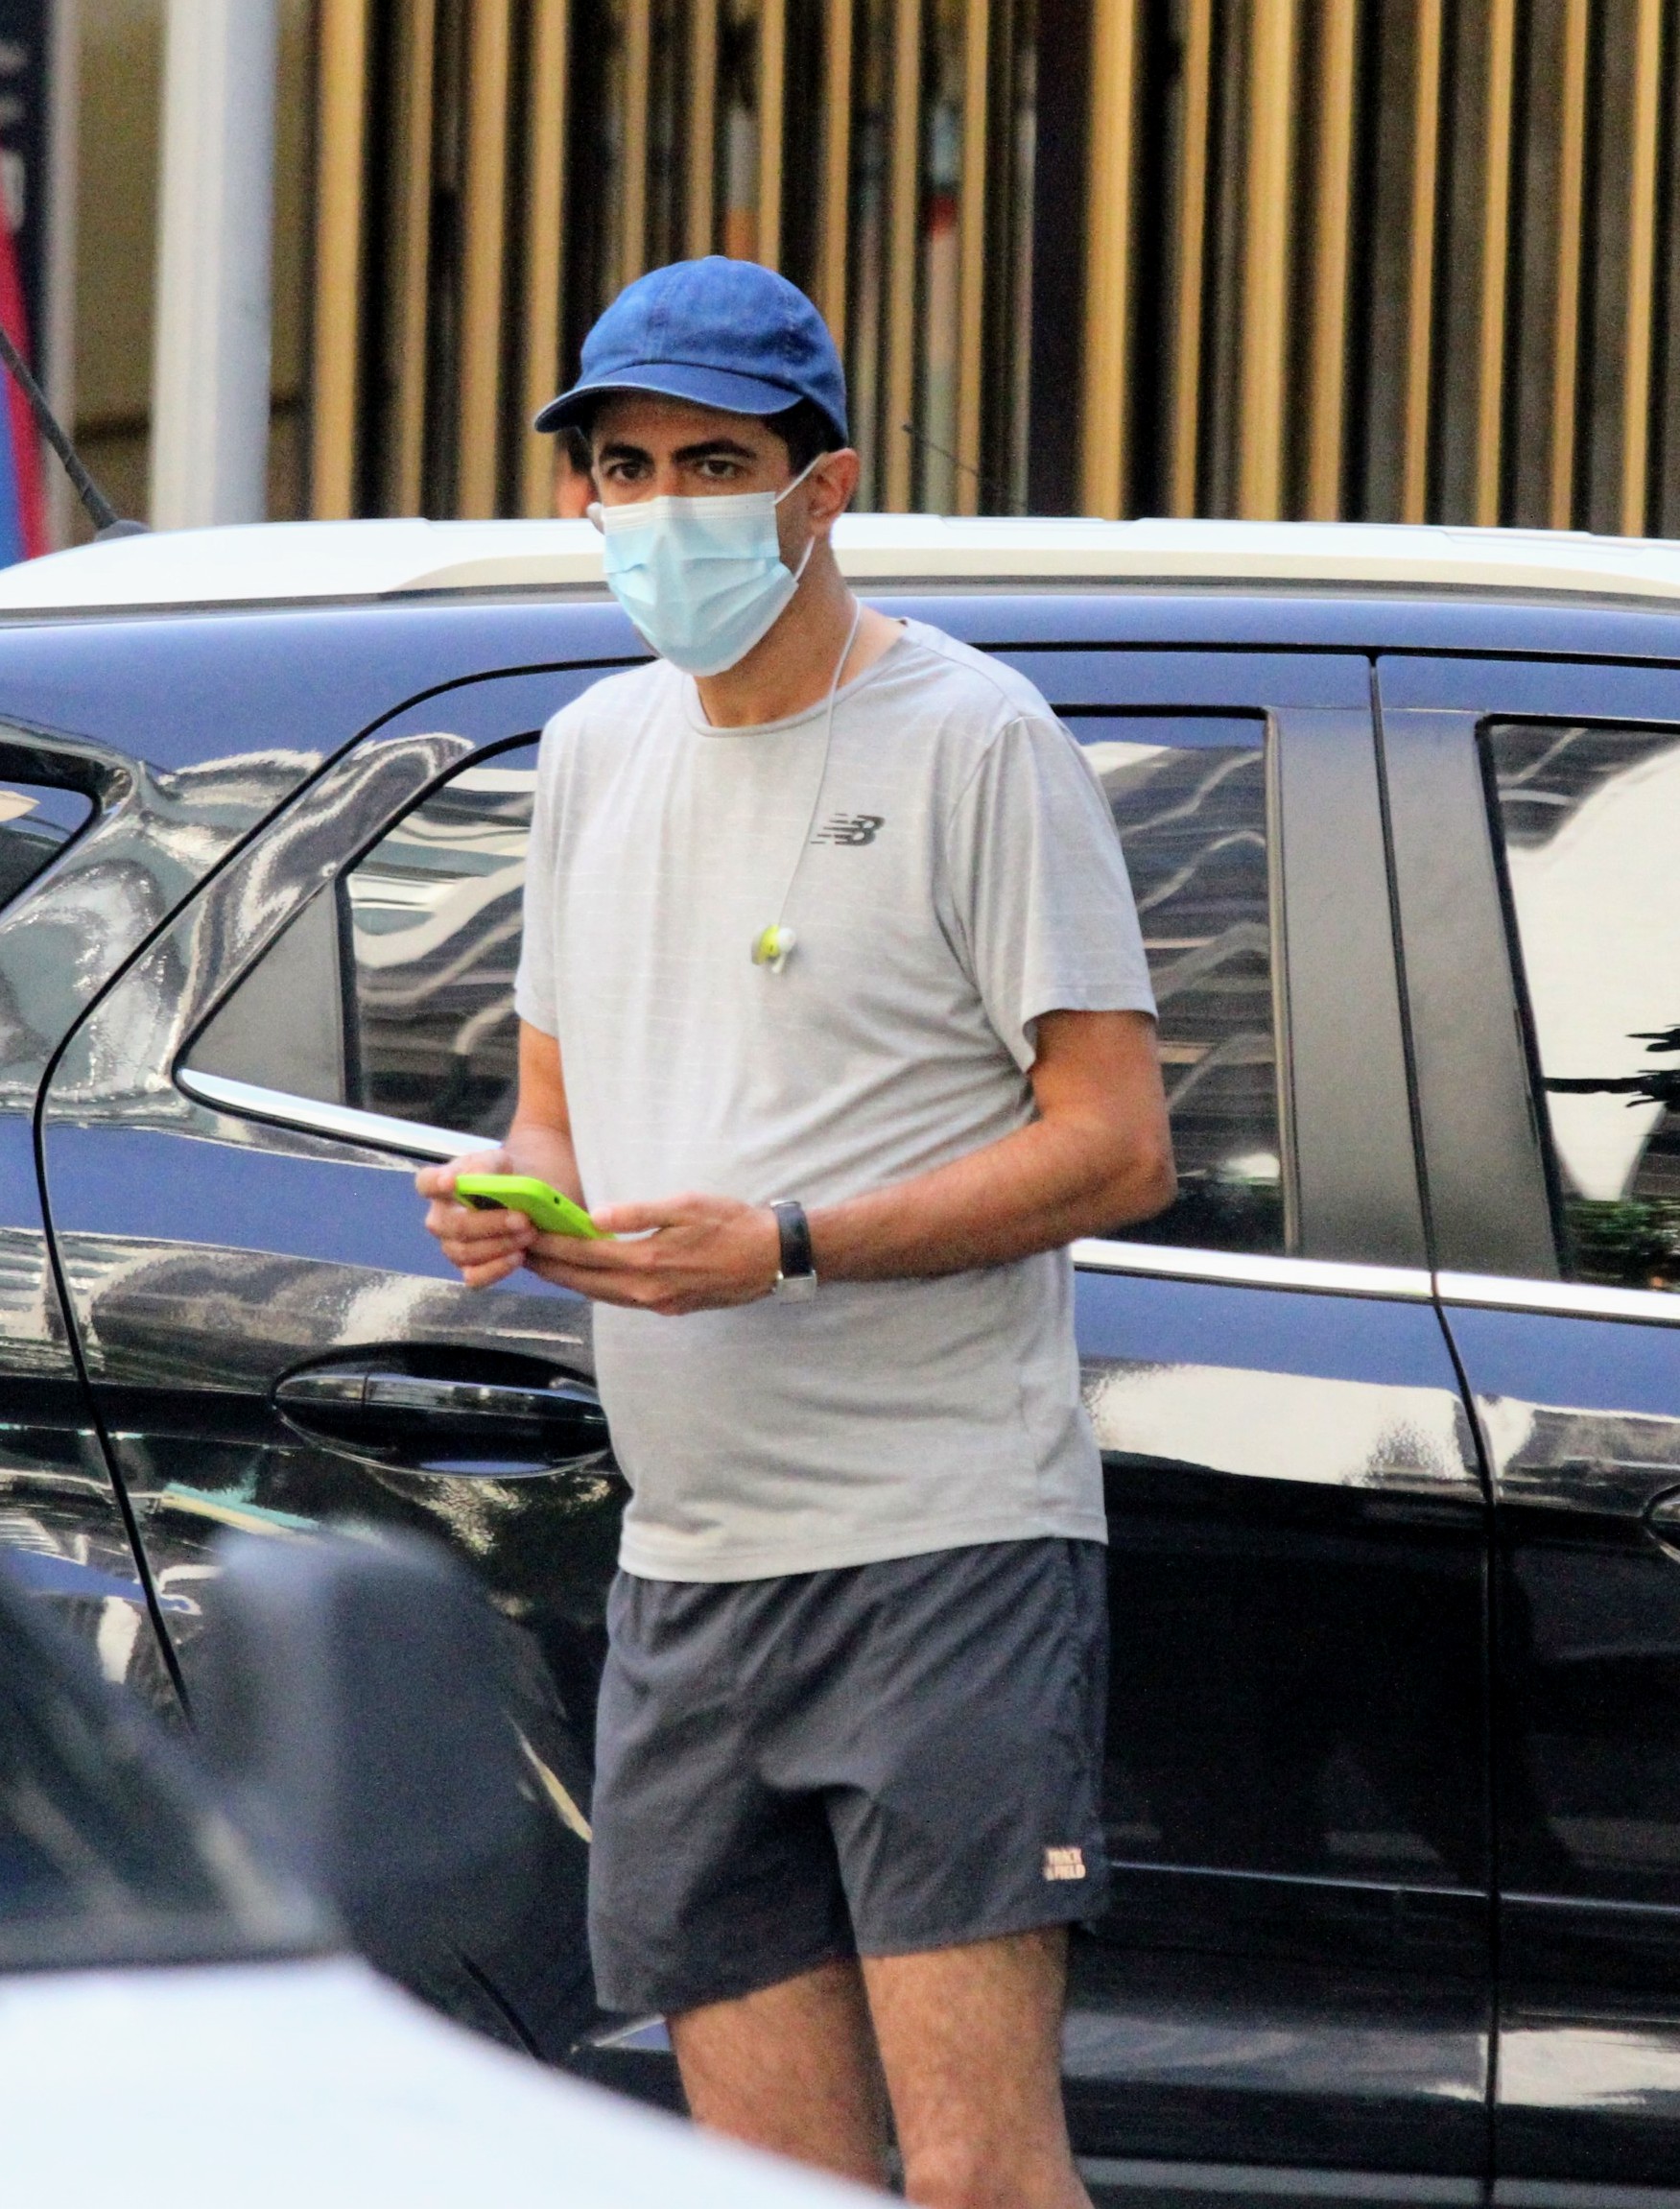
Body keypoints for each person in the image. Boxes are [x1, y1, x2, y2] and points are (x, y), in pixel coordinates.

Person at [417, 256, 1174, 2209]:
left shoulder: (977, 737)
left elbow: (1114, 1146)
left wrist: (793, 1241)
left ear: (824, 482)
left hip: (944, 1548)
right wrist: (520, 1210)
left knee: (981, 2177)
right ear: (581, 490)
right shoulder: (592, 753)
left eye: (716, 460)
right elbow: (562, 1106)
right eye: (628, 463)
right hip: (686, 1566)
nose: (667, 503)